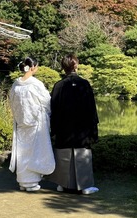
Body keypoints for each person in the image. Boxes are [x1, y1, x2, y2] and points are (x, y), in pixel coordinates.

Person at [49, 53, 99, 194]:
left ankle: (61, 184)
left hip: (64, 128)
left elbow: (53, 109)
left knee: (63, 153)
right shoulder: (84, 84)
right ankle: (85, 186)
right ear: (76, 65)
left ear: (63, 67)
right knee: (82, 153)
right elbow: (91, 110)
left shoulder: (58, 85)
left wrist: (53, 129)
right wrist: (93, 131)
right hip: (82, 129)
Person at [9, 57, 55, 192]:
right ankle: (31, 182)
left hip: (21, 122)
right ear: (33, 66)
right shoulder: (36, 84)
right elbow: (47, 101)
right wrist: (48, 114)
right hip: (35, 121)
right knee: (36, 150)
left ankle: (23, 181)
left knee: (23, 150)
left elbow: (13, 103)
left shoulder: (15, 85)